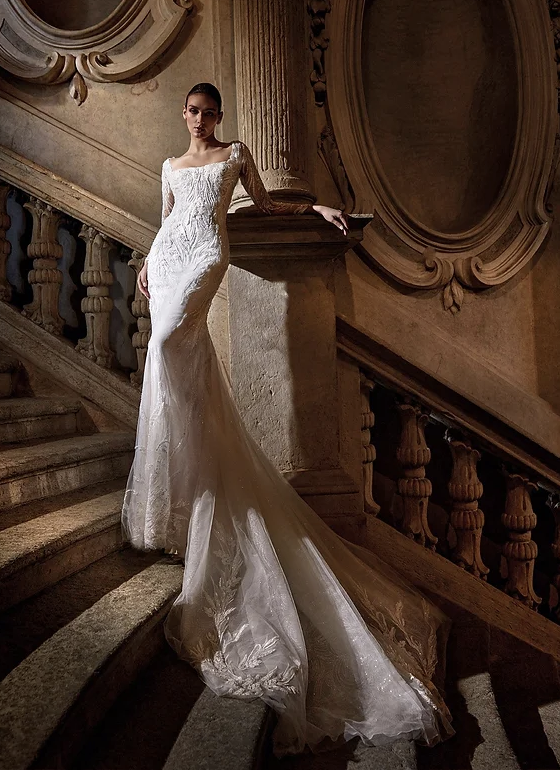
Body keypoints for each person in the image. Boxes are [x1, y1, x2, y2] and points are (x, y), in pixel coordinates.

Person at [122, 82, 454, 756]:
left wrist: (321, 207)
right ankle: (185, 483)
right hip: (168, 259)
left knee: (167, 349)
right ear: (183, 114)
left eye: (209, 112)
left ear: (219, 117)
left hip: (206, 260)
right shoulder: (168, 166)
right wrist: (143, 265)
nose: (201, 120)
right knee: (174, 362)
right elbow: (166, 220)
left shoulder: (236, 152)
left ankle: (187, 476)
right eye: (193, 111)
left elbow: (264, 203)